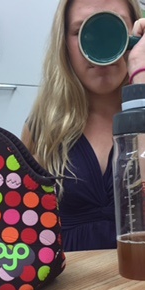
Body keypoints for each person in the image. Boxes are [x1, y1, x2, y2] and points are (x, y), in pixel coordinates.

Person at [21, 0, 145, 251]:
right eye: (81, 31)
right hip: (72, 289)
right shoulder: (42, 128)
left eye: (116, 27)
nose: (101, 42)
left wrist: (141, 80)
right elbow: (22, 225)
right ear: (64, 43)